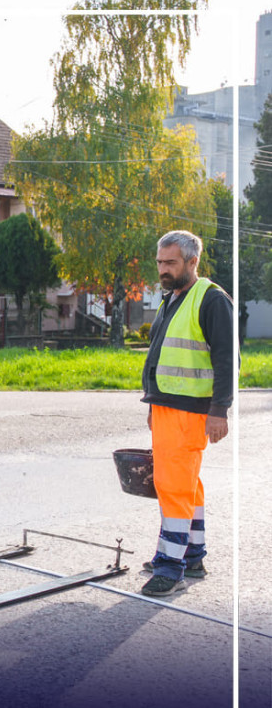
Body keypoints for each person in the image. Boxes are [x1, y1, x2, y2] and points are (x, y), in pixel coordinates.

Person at [139, 230, 233, 597]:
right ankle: (192, 556)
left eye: (170, 263)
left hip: (189, 410)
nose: (162, 269)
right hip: (167, 406)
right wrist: (153, 402)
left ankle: (170, 567)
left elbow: (227, 359)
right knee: (187, 484)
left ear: (193, 262)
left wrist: (220, 410)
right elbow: (162, 355)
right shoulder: (172, 297)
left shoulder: (210, 299)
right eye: (160, 262)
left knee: (173, 485)